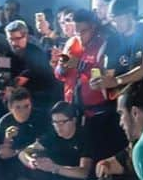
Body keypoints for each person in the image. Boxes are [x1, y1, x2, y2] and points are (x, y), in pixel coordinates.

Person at [53, 9, 124, 160]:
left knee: (99, 153)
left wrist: (80, 65)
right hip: (73, 111)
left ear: (93, 27)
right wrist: (61, 68)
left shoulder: (104, 44)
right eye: (77, 31)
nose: (79, 35)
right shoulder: (71, 43)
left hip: (98, 112)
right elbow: (59, 74)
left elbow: (101, 77)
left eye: (83, 31)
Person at [19, 102, 93, 180]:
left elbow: (83, 172)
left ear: (73, 120)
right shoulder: (52, 136)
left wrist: (55, 168)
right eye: (55, 123)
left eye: (62, 122)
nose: (58, 127)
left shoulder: (84, 137)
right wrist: (31, 161)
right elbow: (24, 152)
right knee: (39, 174)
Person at [0, 87, 43, 180]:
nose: (23, 111)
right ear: (10, 108)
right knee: (0, 157)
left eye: (27, 106)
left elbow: (45, 143)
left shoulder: (41, 117)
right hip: (15, 157)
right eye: (18, 107)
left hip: (35, 155)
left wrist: (19, 151)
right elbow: (2, 151)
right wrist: (7, 139)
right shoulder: (4, 122)